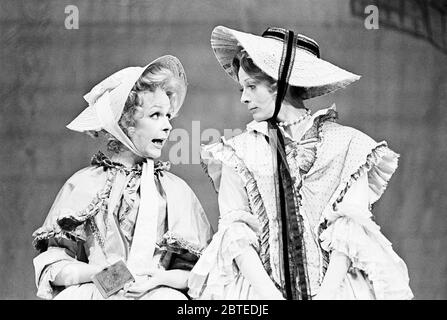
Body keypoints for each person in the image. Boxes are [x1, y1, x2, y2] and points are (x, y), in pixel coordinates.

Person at [188, 26, 413, 300]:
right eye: (241, 87)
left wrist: (326, 296)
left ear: (279, 84)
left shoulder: (349, 146)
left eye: (251, 86)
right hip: (261, 292)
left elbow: (350, 233)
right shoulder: (237, 152)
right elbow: (236, 235)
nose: (243, 97)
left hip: (337, 291)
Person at [32, 55, 212, 300]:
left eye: (168, 116)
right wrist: (103, 274)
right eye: (156, 115)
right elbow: (55, 267)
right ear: (125, 123)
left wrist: (158, 279)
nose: (168, 125)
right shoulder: (85, 184)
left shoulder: (175, 191)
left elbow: (197, 273)